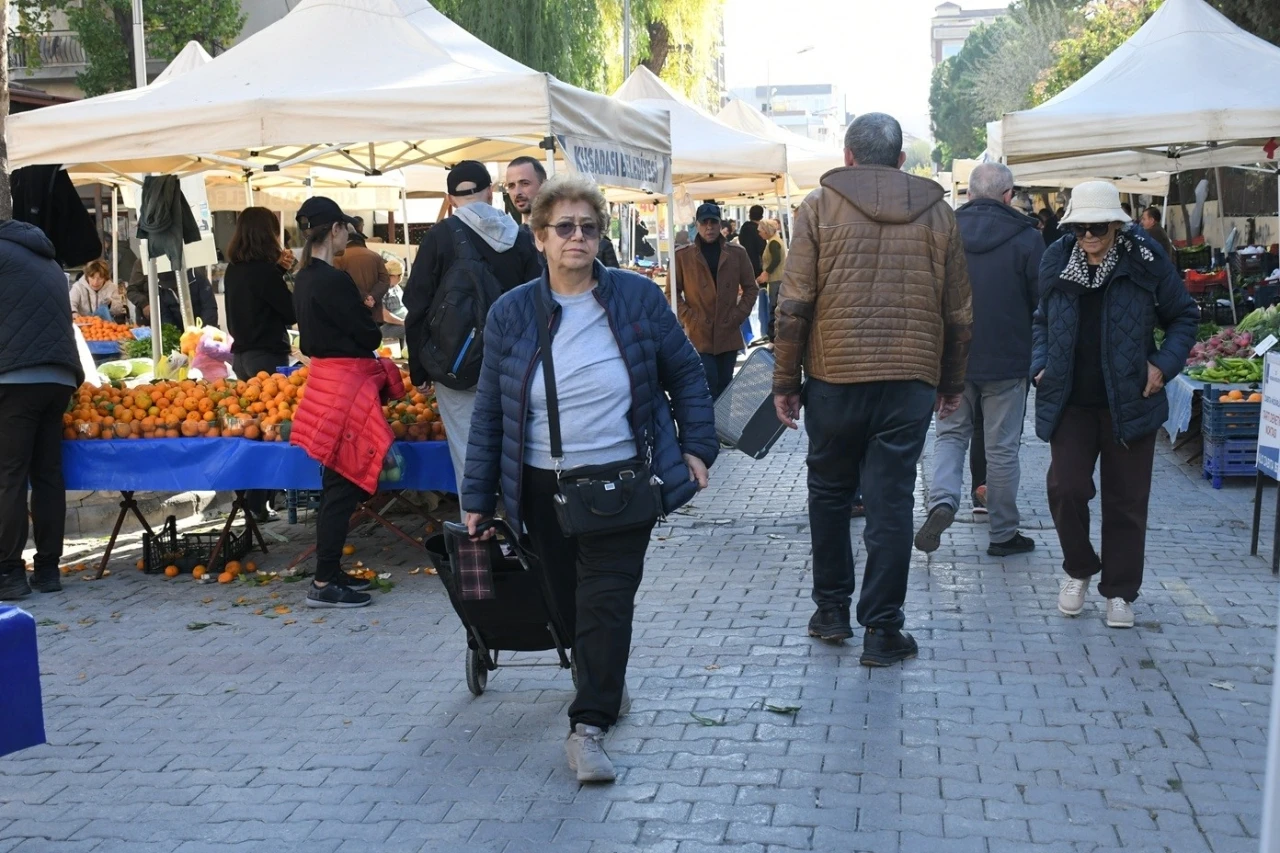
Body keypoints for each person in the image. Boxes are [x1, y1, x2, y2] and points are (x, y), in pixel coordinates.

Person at [461, 173, 717, 783]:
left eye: (588, 227)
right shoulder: (511, 312)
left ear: (601, 235)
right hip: (540, 487)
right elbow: (492, 411)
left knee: (606, 603)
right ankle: (600, 677)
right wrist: (476, 497)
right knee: (569, 605)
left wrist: (697, 448)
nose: (577, 237)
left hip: (621, 482)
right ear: (540, 235)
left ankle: (589, 727)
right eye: (564, 227)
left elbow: (685, 373)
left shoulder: (635, 298)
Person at [772, 113, 972, 666]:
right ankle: (883, 630)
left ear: (848, 155)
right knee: (890, 500)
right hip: (910, 377)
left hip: (834, 377)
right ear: (902, 160)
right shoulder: (939, 213)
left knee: (830, 493)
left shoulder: (817, 208)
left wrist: (786, 381)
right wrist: (951, 381)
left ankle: (832, 609)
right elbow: (958, 313)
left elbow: (793, 307)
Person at [1033, 181, 1198, 629]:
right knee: (1065, 489)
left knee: (1126, 502)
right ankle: (1079, 568)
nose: (1088, 236)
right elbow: (1041, 320)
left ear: (1116, 225)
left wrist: (1162, 365)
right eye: (1080, 228)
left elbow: (1184, 316)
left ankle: (1121, 591)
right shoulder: (1057, 258)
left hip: (1131, 401)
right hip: (1071, 400)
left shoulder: (1145, 259)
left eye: (1098, 228)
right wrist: (1041, 363)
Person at [916, 163, 1042, 558]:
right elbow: (1042, 304)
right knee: (1002, 449)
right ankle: (1004, 533)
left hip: (953, 359)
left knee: (951, 437)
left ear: (969, 194)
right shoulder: (1027, 238)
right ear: (1009, 196)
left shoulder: (943, 232)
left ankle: (942, 501)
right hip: (1007, 360)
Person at [405, 160, 542, 496]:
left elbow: (417, 306)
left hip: (456, 367)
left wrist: (419, 370)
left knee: (469, 457)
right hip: (513, 366)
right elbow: (538, 304)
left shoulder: (439, 237)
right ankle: (520, 536)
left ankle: (478, 537)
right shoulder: (522, 239)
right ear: (491, 192)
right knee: (517, 453)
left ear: (450, 199)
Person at [288, 197, 390, 609]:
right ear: (334, 230)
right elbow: (369, 336)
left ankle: (329, 571)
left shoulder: (304, 278)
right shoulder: (334, 279)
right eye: (345, 226)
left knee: (335, 483)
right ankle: (324, 580)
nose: (349, 232)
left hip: (323, 382)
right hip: (346, 386)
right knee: (340, 487)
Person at [0, 220, 86, 600]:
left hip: (15, 378)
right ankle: (48, 570)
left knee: (10, 475)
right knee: (49, 474)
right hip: (59, 378)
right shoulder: (48, 260)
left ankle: (10, 573)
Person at [223, 207, 298, 523]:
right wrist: (288, 275)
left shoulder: (233, 269)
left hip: (240, 356)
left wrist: (279, 272)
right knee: (269, 431)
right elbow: (290, 312)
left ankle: (251, 501)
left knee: (250, 428)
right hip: (265, 357)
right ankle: (257, 502)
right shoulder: (265, 272)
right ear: (268, 234)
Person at [672, 203, 758, 399]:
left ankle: (722, 430)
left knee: (726, 388)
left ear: (720, 225)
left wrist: (737, 316)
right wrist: (690, 318)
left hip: (727, 331)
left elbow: (751, 288)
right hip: (699, 333)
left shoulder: (737, 253)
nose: (709, 227)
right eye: (704, 222)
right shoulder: (682, 257)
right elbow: (672, 293)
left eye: (713, 222)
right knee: (706, 384)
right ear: (697, 225)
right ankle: (707, 428)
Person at [334, 218, 391, 330]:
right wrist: (372, 297)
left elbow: (340, 282)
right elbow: (385, 280)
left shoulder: (338, 258)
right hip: (374, 313)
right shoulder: (375, 256)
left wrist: (364, 297)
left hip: (351, 313)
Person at [127, 260, 218, 328]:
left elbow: (209, 308)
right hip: (177, 326)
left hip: (201, 326)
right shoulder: (160, 287)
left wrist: (203, 333)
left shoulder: (198, 279)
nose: (172, 288)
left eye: (174, 285)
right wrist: (175, 337)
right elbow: (165, 315)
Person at [758, 219, 787, 341]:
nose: (759, 233)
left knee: (774, 308)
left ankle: (773, 338)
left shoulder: (773, 243)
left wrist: (766, 272)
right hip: (776, 279)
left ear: (766, 231)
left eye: (760, 231)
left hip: (776, 279)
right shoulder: (773, 241)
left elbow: (776, 259)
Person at [505, 156, 547, 231]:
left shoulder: (563, 231)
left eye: (525, 183)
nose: (517, 192)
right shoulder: (513, 238)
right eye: (511, 186)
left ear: (544, 185)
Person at [380, 258, 407, 341]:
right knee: (412, 330)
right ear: (396, 276)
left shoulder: (396, 287)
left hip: (399, 322)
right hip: (385, 327)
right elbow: (384, 315)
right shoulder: (381, 288)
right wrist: (403, 322)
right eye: (400, 275)